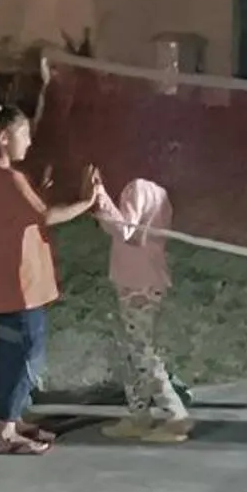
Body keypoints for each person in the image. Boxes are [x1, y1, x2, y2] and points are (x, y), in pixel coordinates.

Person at [0, 105, 101, 455]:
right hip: (23, 288)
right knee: (27, 357)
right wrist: (86, 202)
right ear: (3, 138)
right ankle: (4, 434)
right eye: (23, 133)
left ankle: (5, 419)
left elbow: (11, 216)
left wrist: (37, 189)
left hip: (0, 283)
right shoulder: (10, 179)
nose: (29, 140)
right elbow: (45, 216)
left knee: (9, 355)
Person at [92, 175, 194, 442]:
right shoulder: (158, 192)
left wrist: (100, 195)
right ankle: (139, 415)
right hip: (143, 280)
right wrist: (101, 206)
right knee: (134, 350)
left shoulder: (137, 187)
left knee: (142, 352)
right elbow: (122, 228)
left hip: (138, 282)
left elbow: (125, 230)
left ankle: (176, 416)